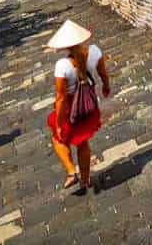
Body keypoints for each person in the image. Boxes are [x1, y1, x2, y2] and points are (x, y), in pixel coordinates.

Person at [46, 20, 111, 194]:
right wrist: (106, 87)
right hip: (88, 105)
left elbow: (60, 98)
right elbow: (103, 74)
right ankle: (84, 179)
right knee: (82, 143)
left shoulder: (63, 66)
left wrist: (59, 124)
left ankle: (70, 171)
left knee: (58, 138)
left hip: (70, 109)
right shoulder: (95, 52)